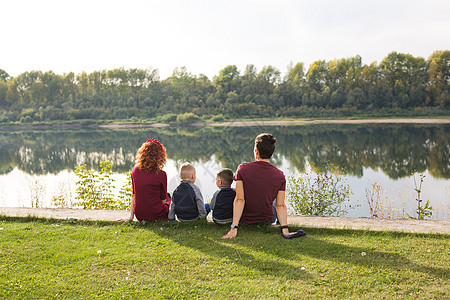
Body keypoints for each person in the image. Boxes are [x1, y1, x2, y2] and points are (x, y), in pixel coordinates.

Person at [222, 133, 305, 239]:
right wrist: (285, 230)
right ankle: (281, 225)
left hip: (244, 218)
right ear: (271, 153)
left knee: (238, 192)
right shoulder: (279, 175)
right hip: (267, 219)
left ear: (256, 151)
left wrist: (234, 228)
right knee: (276, 200)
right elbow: (280, 206)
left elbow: (239, 199)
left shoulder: (242, 169)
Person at [129, 139, 171, 222]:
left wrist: (131, 218)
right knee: (168, 197)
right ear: (160, 156)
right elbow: (163, 199)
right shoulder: (161, 174)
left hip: (139, 215)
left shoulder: (135, 170)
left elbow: (133, 195)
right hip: (156, 215)